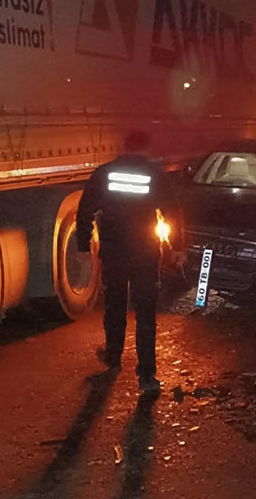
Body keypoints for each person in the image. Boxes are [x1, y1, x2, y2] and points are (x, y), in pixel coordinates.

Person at [76, 130, 183, 394]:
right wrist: (178, 247)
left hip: (113, 252)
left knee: (114, 306)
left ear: (123, 146)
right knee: (146, 314)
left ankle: (113, 357)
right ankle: (147, 376)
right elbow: (172, 211)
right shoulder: (155, 175)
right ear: (146, 148)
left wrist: (82, 245)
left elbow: (85, 209)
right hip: (145, 253)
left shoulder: (104, 173)